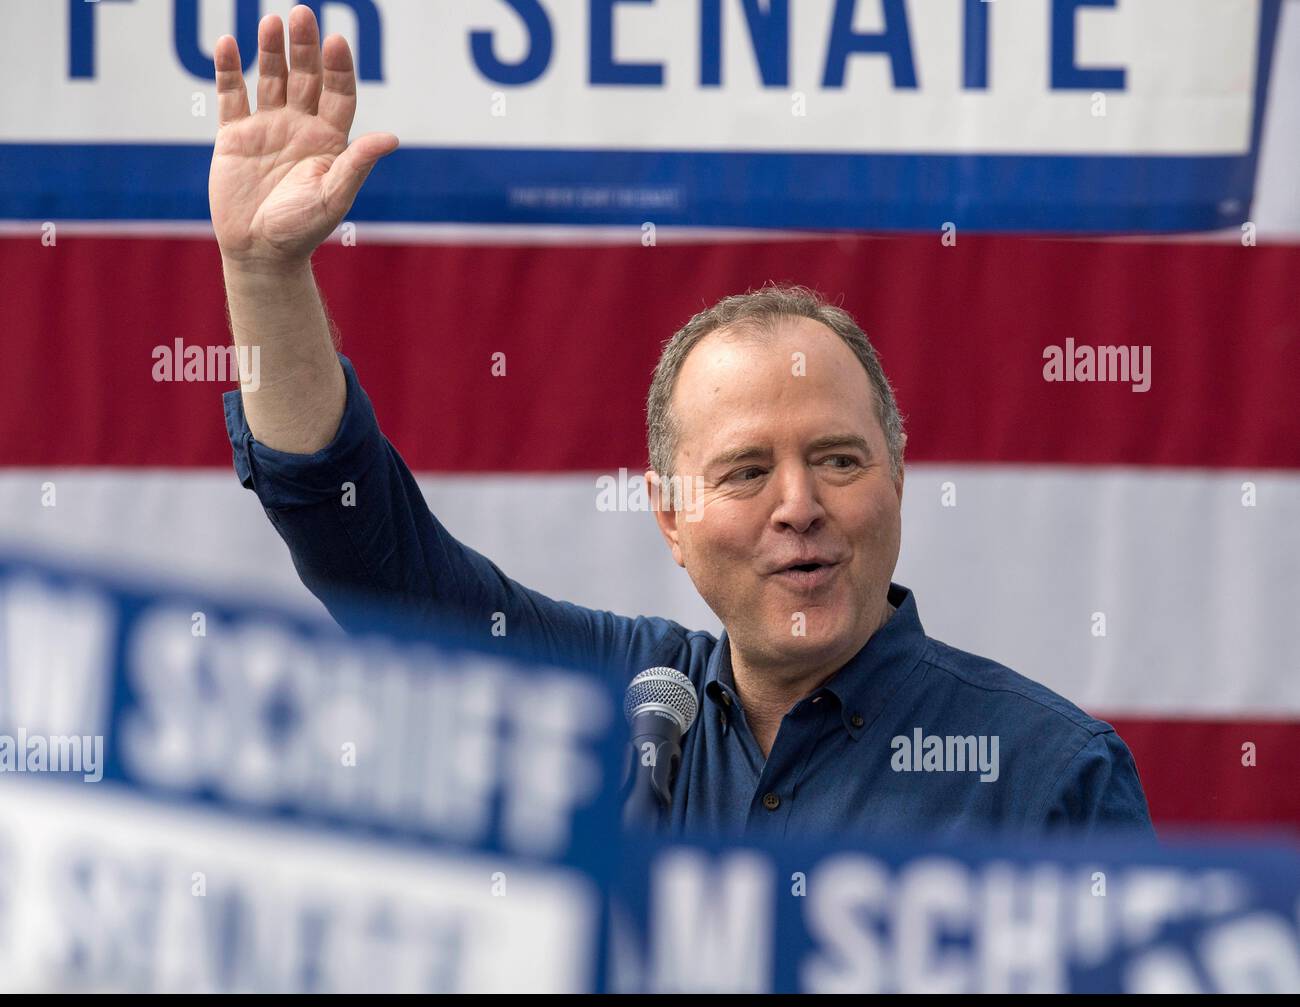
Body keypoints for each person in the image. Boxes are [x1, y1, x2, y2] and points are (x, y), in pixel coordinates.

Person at [212, 6, 1154, 842]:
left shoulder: (1050, 776)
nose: (800, 506)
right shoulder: (612, 705)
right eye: (746, 471)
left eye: (837, 458)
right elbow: (365, 555)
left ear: (897, 481)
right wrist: (263, 275)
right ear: (669, 516)